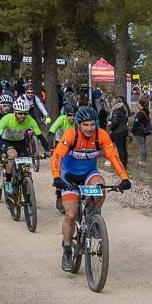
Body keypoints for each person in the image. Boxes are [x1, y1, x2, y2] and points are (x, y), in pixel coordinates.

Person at [50, 106, 130, 271]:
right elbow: (57, 155)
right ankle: (66, 250)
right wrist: (57, 177)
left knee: (100, 185)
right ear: (79, 124)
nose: (89, 128)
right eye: (85, 125)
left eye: (92, 124)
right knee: (71, 214)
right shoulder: (71, 135)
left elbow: (113, 156)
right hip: (69, 175)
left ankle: (93, 213)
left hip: (89, 174)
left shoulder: (101, 135)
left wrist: (124, 178)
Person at [0, 97, 43, 193]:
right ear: (15, 112)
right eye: (20, 113)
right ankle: (8, 180)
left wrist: (48, 149)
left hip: (20, 142)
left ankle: (28, 197)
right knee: (13, 155)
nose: (23, 116)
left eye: (25, 113)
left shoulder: (30, 120)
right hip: (6, 141)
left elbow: (40, 136)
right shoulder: (6, 119)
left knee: (26, 169)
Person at [108, 97, 130, 169]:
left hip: (118, 131)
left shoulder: (116, 110)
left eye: (112, 102)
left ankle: (122, 164)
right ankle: (125, 163)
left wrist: (110, 126)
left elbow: (115, 122)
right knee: (123, 148)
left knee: (120, 148)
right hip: (124, 130)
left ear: (114, 103)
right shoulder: (124, 109)